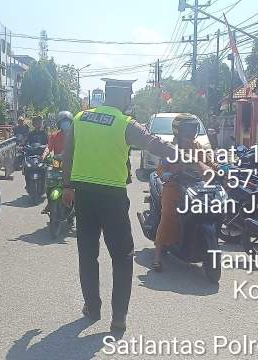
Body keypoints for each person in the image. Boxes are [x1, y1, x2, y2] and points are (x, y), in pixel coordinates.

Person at [61, 80, 176, 332]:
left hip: (84, 195)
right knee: (123, 256)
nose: (131, 99)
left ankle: (92, 308)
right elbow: (152, 143)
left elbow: (68, 154)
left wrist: (67, 186)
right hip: (112, 197)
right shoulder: (125, 123)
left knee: (88, 254)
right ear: (123, 96)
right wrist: (180, 153)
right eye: (130, 95)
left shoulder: (80, 118)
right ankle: (119, 317)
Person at [152, 116, 214, 272]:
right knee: (168, 215)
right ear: (179, 131)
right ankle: (157, 255)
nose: (192, 133)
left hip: (196, 186)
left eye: (194, 129)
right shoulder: (171, 148)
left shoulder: (198, 146)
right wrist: (166, 174)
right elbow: (161, 168)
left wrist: (221, 167)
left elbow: (209, 162)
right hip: (174, 185)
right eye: (188, 129)